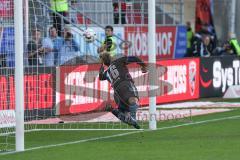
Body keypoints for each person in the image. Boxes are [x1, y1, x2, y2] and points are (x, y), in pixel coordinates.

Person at [99, 53, 147, 129]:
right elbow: (134, 58)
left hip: (117, 93)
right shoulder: (118, 61)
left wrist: (102, 64)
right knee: (133, 100)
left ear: (104, 63)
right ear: (111, 58)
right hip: (125, 85)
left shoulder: (106, 73)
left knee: (123, 112)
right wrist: (143, 65)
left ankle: (113, 110)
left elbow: (100, 77)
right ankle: (133, 118)